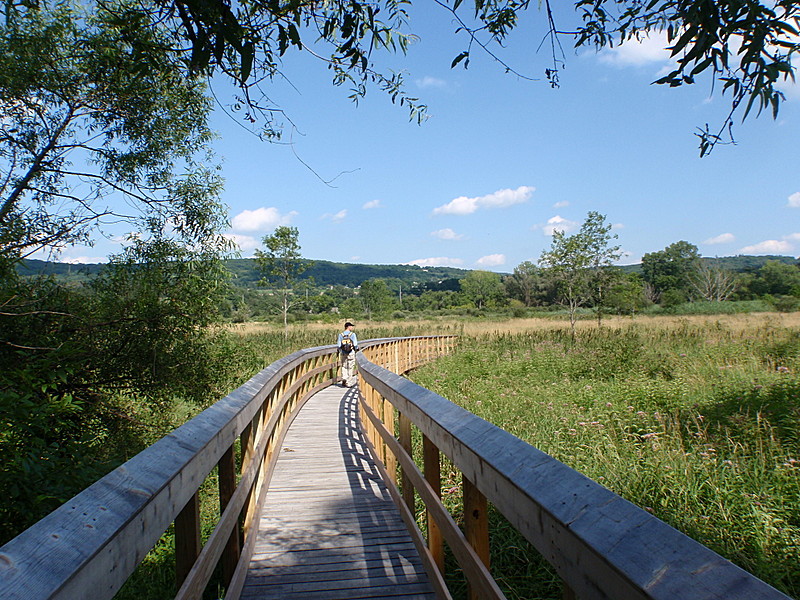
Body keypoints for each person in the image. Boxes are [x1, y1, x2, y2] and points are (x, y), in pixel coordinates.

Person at [337, 321, 359, 387]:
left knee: (344, 366)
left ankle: (344, 377)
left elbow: (339, 345)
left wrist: (339, 350)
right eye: (351, 326)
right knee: (350, 367)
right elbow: (355, 344)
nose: (352, 327)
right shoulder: (352, 334)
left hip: (343, 353)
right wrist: (356, 349)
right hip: (351, 352)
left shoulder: (341, 335)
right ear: (348, 327)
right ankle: (349, 382)